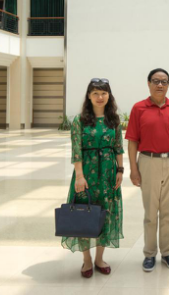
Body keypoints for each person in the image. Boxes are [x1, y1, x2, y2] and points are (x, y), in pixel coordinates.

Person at [126, 68, 169, 272]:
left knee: (168, 212)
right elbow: (132, 141)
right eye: (156, 81)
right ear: (148, 83)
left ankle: (168, 252)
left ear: (168, 84)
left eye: (164, 81)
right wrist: (133, 168)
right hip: (148, 162)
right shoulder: (139, 108)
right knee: (150, 212)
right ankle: (150, 254)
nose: (160, 85)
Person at [61, 78, 124, 278]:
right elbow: (76, 150)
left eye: (103, 93)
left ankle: (99, 258)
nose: (100, 97)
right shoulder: (79, 121)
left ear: (109, 96)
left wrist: (120, 170)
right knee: (83, 213)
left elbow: (118, 147)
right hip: (86, 173)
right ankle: (87, 259)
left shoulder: (113, 119)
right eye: (95, 93)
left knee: (105, 213)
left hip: (108, 173)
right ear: (89, 95)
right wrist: (79, 176)